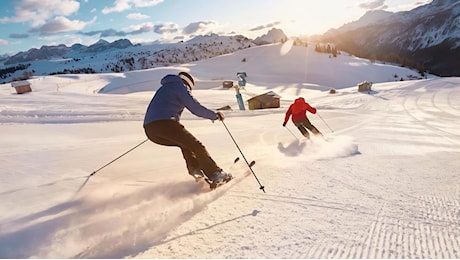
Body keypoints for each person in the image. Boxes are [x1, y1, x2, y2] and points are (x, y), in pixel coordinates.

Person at [143, 71, 231, 184]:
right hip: (165, 124)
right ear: (188, 84)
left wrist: (158, 129)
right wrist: (214, 115)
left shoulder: (164, 88)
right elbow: (195, 107)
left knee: (185, 144)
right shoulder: (180, 87)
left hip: (150, 129)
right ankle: (216, 174)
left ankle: (195, 170)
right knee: (196, 145)